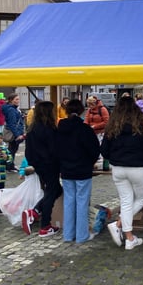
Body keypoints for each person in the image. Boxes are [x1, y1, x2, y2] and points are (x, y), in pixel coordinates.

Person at [101, 96, 143, 250]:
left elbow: (104, 150)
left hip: (118, 168)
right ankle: (121, 227)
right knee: (141, 199)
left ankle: (128, 236)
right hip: (137, 167)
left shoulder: (112, 126)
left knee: (126, 201)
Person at [56, 99, 100, 243]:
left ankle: (68, 234)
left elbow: (55, 149)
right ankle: (82, 235)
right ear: (82, 111)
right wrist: (90, 163)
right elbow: (94, 150)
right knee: (82, 202)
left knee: (68, 202)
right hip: (83, 170)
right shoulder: (85, 129)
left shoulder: (59, 129)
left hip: (66, 170)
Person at [22, 101, 63, 237]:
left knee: (56, 190)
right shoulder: (50, 129)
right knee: (51, 192)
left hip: (39, 165)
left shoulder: (32, 128)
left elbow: (28, 152)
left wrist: (35, 163)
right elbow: (54, 150)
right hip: (50, 165)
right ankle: (45, 225)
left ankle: (35, 211)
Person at [1, 93, 25, 173]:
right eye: (16, 99)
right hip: (14, 133)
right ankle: (9, 166)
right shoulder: (11, 110)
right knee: (12, 150)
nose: (18, 101)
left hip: (15, 132)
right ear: (11, 100)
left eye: (18, 99)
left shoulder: (13, 108)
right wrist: (17, 135)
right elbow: (12, 124)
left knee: (12, 149)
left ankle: (10, 165)